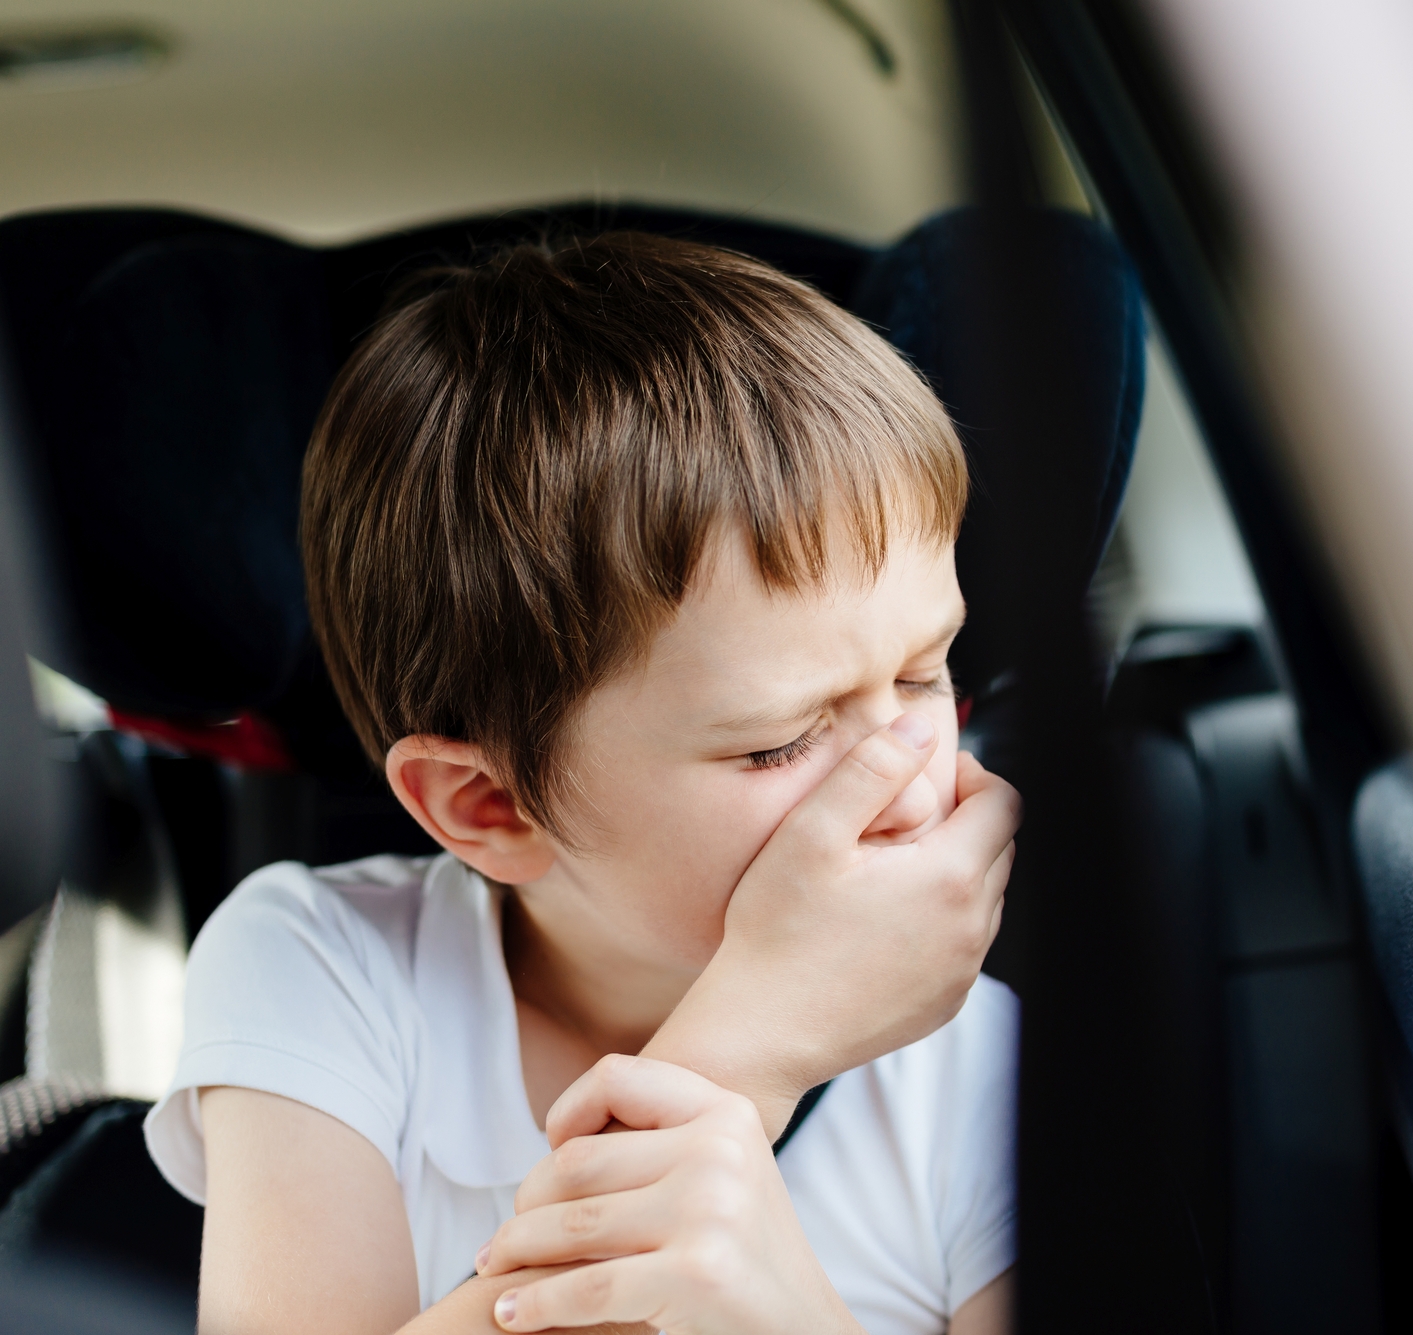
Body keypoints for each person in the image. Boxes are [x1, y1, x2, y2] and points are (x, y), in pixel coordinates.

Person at [141, 233, 1024, 1335]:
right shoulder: (324, 970)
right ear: (490, 807)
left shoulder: (982, 1074)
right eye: (775, 742)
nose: (902, 774)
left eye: (921, 672)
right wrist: (741, 1060)